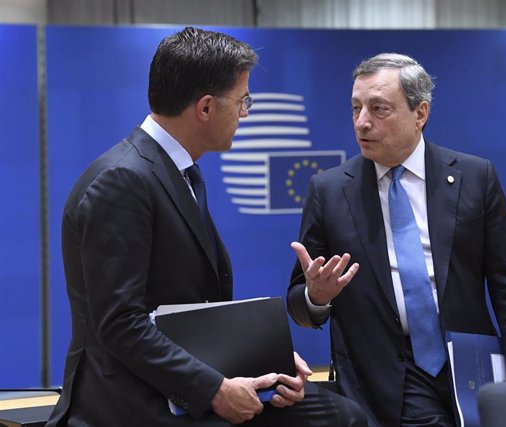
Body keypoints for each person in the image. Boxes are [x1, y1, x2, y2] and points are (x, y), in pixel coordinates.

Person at [46, 27, 366, 427]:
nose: (245, 113)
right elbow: (120, 325)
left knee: (340, 414)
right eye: (242, 100)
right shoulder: (122, 181)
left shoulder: (178, 171)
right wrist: (213, 389)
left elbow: (190, 311)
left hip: (184, 382)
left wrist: (270, 363)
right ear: (206, 108)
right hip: (135, 401)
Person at [287, 53, 506, 427]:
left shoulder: (475, 177)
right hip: (382, 375)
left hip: (468, 365)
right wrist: (318, 297)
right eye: (356, 107)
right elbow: (298, 303)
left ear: (419, 114)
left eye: (378, 109)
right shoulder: (329, 190)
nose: (362, 122)